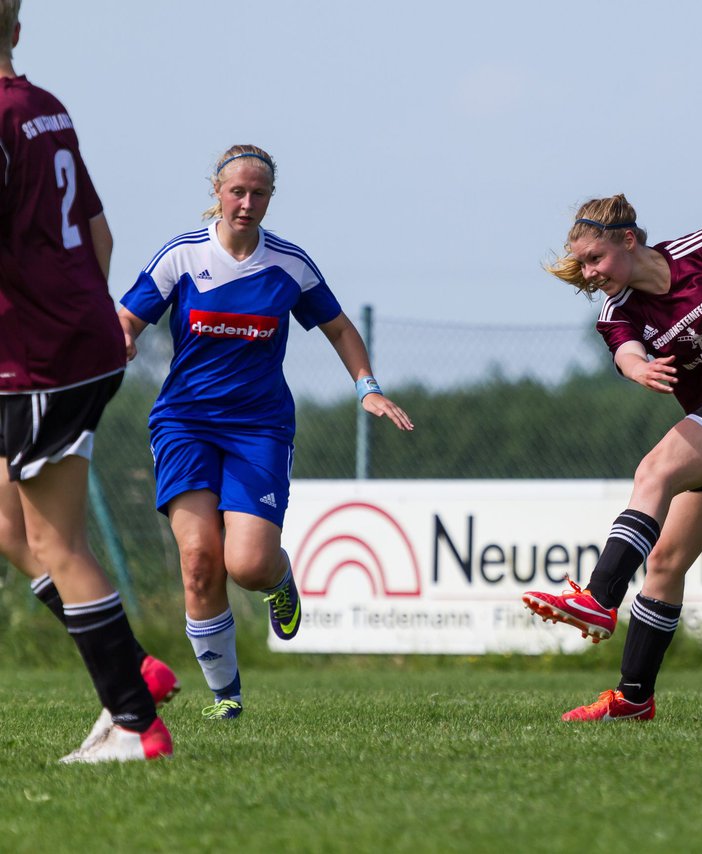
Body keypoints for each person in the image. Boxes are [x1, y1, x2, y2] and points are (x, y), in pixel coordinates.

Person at [118, 144, 413, 720]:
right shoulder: (181, 257)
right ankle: (227, 698)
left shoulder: (289, 264)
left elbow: (340, 328)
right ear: (216, 191)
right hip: (185, 422)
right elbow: (127, 319)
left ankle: (280, 580)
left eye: (259, 194)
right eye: (237, 191)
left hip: (259, 427)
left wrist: (366, 387)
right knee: (200, 560)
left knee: (247, 564)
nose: (247, 203)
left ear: (270, 198)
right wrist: (118, 338)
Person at [522, 194, 702, 721]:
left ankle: (598, 597)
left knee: (653, 471)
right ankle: (634, 698)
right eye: (583, 265)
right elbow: (626, 350)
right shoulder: (618, 313)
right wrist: (637, 369)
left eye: (595, 259)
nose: (589, 274)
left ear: (628, 240)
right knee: (665, 562)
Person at [0, 0, 172, 762]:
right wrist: (78, 320)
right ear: (16, 28)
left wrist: (54, 330)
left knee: (54, 539)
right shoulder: (44, 107)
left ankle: (134, 717)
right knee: (10, 527)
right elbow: (98, 232)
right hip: (62, 345)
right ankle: (130, 669)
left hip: (39, 358)